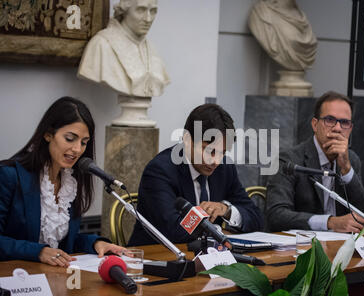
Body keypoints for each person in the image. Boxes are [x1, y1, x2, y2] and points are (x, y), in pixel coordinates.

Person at [0, 97, 127, 267]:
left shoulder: (70, 183)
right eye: (69, 138)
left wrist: (96, 243)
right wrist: (38, 251)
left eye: (83, 142)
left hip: (52, 279)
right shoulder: (9, 176)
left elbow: (64, 243)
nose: (77, 150)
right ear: (48, 134)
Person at [128, 104, 263, 245]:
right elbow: (174, 231)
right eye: (209, 150)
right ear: (187, 140)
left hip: (207, 258)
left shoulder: (224, 168)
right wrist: (208, 222)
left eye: (222, 152)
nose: (216, 161)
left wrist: (227, 210)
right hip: (156, 259)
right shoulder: (160, 170)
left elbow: (257, 219)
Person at [265, 91, 364, 233]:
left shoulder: (351, 160)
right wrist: (329, 222)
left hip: (340, 246)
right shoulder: (288, 160)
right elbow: (276, 215)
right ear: (315, 125)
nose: (338, 128)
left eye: (344, 122)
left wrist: (346, 169)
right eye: (330, 120)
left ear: (350, 129)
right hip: (300, 247)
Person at [77, 0, 170, 98]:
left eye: (153, 11)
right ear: (124, 11)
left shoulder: (152, 50)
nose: (148, 19)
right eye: (140, 10)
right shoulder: (101, 44)